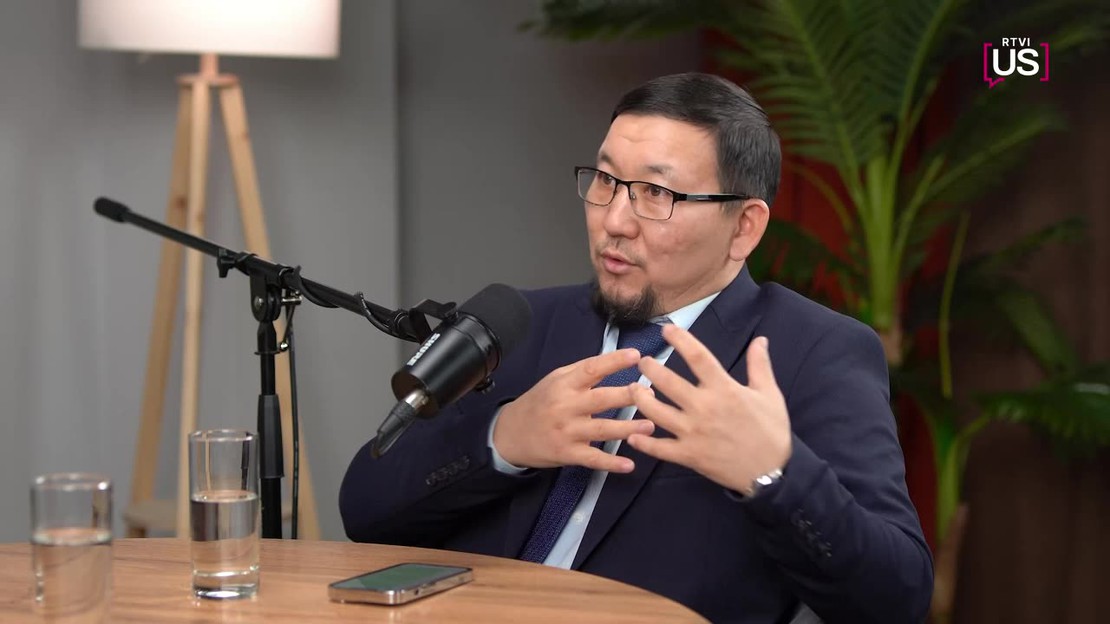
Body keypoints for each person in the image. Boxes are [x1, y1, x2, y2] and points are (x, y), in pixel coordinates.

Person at [339, 72, 933, 623]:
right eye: (606, 181)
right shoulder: (522, 322)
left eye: (655, 192)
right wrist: (503, 438)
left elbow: (897, 598)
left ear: (744, 227)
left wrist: (774, 474)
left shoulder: (814, 352)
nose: (615, 220)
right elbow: (364, 508)